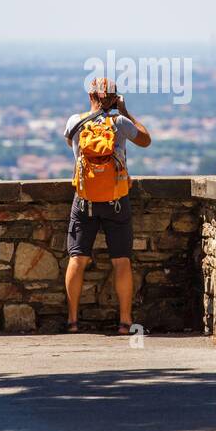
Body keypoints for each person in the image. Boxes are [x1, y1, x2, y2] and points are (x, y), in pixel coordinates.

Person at [62, 77, 152, 334]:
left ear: (90, 96)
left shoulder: (74, 122)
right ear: (114, 98)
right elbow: (146, 140)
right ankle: (125, 322)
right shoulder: (120, 123)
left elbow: (71, 144)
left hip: (85, 200)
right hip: (116, 200)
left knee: (77, 258)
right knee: (121, 260)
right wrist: (124, 111)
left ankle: (72, 321)